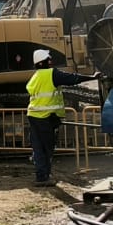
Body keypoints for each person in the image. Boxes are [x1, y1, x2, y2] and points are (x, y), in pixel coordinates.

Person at [25, 47, 91, 186]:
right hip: (46, 117)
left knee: (38, 148)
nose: (51, 61)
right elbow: (71, 79)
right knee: (47, 148)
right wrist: (92, 77)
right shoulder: (51, 74)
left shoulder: (36, 76)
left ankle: (41, 176)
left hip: (33, 115)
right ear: (43, 62)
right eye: (49, 59)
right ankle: (44, 177)